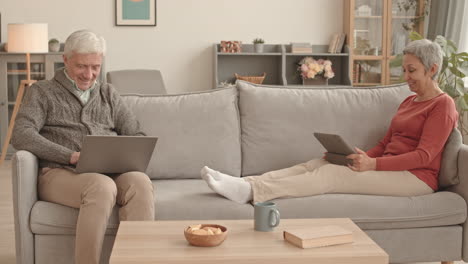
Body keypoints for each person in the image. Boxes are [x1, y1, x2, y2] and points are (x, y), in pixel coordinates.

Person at [201, 39, 459, 204]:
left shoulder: (442, 105)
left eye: (411, 70)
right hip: (389, 168)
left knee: (332, 175)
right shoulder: (408, 102)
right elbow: (386, 142)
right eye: (404, 69)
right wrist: (359, 157)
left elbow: (424, 157)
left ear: (432, 69)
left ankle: (253, 194)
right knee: (318, 163)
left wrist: (373, 164)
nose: (406, 76)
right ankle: (246, 182)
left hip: (415, 178)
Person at [11, 30, 154, 264]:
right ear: (65, 60)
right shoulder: (42, 92)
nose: (89, 74)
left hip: (108, 169)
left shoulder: (108, 93)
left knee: (140, 183)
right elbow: (21, 134)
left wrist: (121, 154)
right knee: (101, 186)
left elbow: (136, 134)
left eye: (95, 67)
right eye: (81, 66)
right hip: (59, 173)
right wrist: (69, 156)